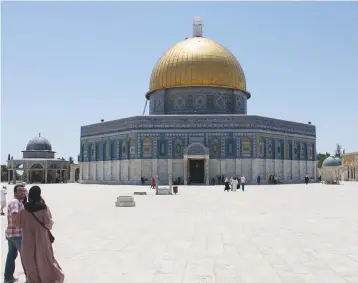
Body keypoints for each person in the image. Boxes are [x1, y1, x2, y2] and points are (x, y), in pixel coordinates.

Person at [20, 185, 64, 283]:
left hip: (27, 240)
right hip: (41, 240)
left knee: (29, 262)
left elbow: (18, 224)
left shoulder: (23, 209)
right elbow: (48, 225)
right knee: (44, 261)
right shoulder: (44, 208)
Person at [4, 184, 27, 283]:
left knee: (11, 255)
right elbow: (14, 216)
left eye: (23, 190)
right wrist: (22, 227)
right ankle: (30, 278)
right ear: (15, 193)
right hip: (17, 234)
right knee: (25, 256)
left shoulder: (20, 202)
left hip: (12, 234)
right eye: (20, 191)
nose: (22, 192)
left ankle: (8, 277)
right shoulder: (15, 202)